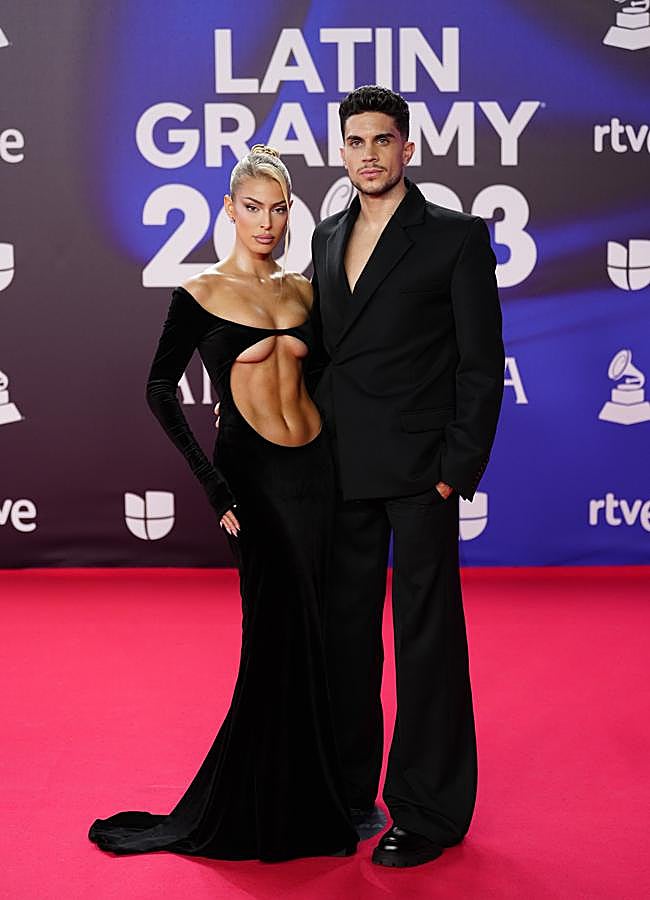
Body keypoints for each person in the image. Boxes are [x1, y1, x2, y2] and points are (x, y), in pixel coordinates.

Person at [88, 145, 358, 862]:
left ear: (289, 214)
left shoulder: (305, 291)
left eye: (278, 209)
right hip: (254, 482)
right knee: (275, 637)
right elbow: (157, 391)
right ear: (229, 210)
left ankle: (316, 801)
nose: (266, 221)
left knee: (317, 639)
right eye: (252, 207)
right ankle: (257, 805)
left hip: (315, 475)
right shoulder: (199, 293)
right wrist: (214, 488)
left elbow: (331, 380)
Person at [309, 86, 505, 867]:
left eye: (382, 141)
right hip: (339, 468)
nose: (368, 155)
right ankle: (352, 794)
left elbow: (480, 365)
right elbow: (323, 355)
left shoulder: (454, 238)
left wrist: (457, 470)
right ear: (342, 150)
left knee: (427, 642)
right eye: (354, 141)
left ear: (408, 148)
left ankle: (427, 810)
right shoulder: (325, 235)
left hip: (422, 475)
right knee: (345, 641)